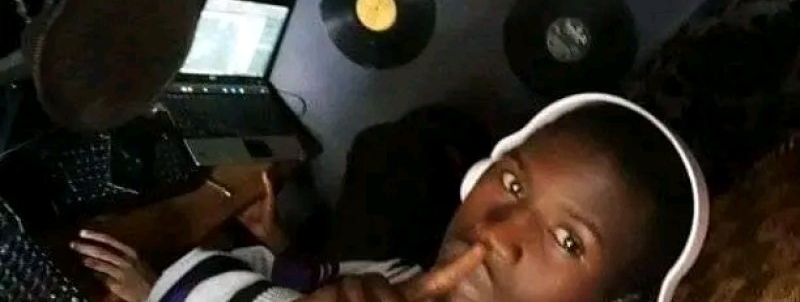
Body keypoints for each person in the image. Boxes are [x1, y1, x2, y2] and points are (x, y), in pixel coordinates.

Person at [71, 93, 709, 302]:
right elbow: (333, 274)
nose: (496, 232)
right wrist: (284, 251)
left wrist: (159, 292)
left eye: (568, 241)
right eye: (513, 183)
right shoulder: (400, 276)